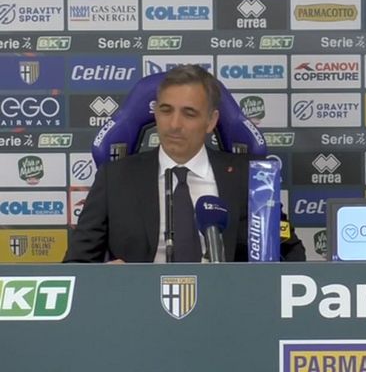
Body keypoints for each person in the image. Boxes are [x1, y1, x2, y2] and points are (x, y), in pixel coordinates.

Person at [64, 65, 305, 262]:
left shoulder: (251, 178)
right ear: (155, 113)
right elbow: (76, 265)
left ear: (211, 121)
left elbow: (290, 255)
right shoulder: (115, 178)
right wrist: (105, 279)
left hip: (229, 303)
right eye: (166, 111)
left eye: (189, 113)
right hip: (137, 302)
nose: (174, 125)